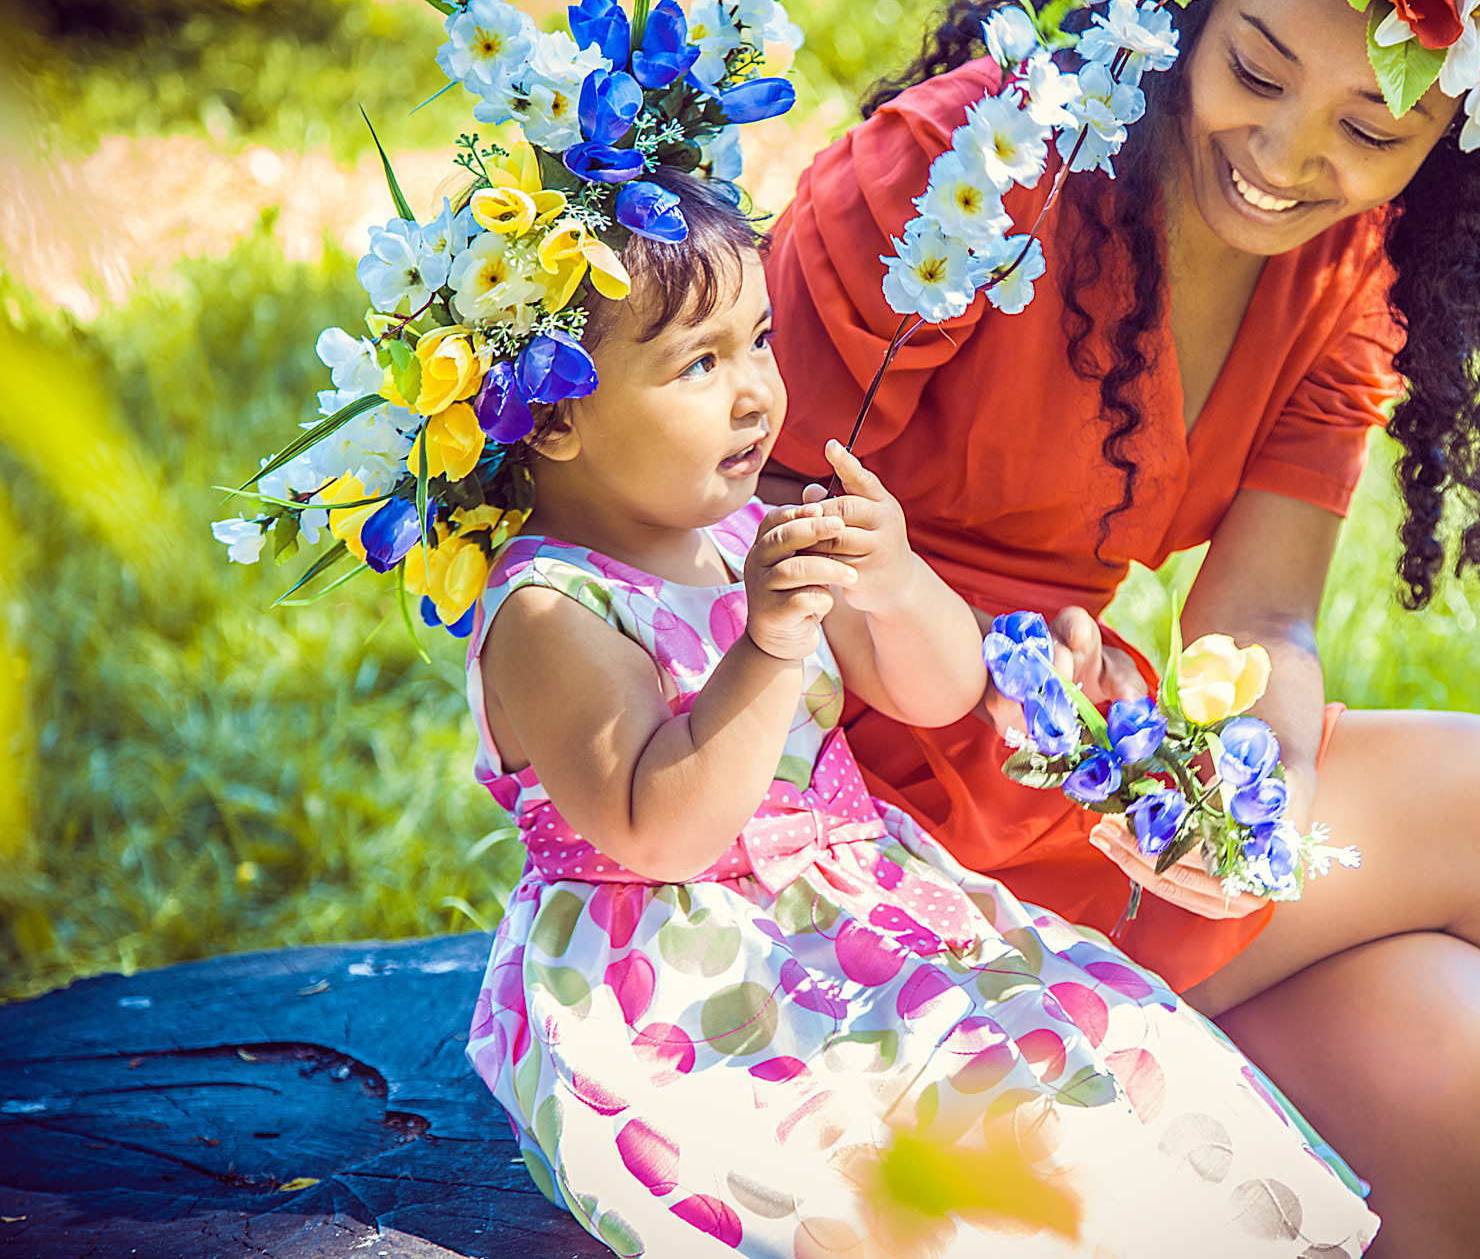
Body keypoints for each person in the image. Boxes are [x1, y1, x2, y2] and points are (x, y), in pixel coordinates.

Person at [762, 0, 1480, 1256]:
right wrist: (967, 663)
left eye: (1370, 128)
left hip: (1081, 777)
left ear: (1448, 139)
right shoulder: (964, 170)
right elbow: (737, 530)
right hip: (849, 810)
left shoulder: (1345, 274)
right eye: (1255, 72)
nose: (1280, 156)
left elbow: (1260, 623)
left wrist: (1233, 803)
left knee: (1470, 1067)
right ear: (1182, 4)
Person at [460, 169, 1384, 1256]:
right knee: (893, 1181)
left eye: (758, 341)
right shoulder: (549, 606)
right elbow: (659, 828)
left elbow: (937, 691)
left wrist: (892, 582)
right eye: (699, 363)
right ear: (556, 414)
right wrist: (767, 643)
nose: (756, 390)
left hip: (861, 920)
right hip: (681, 982)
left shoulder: (748, 536)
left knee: (1101, 1073)